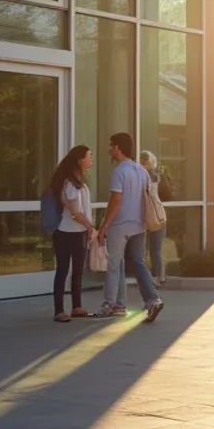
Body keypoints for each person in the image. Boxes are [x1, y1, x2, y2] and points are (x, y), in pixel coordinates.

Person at [97, 132, 165, 323]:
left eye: (111, 145)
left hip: (120, 225)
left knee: (114, 264)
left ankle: (110, 304)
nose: (109, 149)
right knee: (138, 262)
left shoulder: (119, 172)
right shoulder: (141, 171)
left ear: (117, 148)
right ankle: (151, 299)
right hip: (139, 225)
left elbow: (115, 201)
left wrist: (104, 226)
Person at [48, 145, 96, 323]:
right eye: (89, 156)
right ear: (79, 160)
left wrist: (87, 228)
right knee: (63, 270)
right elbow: (75, 212)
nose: (91, 159)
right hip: (65, 232)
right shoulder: (70, 183)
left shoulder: (80, 180)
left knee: (78, 270)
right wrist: (90, 227)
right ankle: (59, 310)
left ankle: (77, 306)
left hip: (79, 232)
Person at [140, 150, 168, 285]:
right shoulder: (150, 177)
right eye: (141, 160)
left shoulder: (151, 177)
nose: (142, 163)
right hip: (150, 217)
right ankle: (155, 277)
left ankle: (158, 276)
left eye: (144, 161)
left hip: (155, 217)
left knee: (154, 250)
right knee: (146, 251)